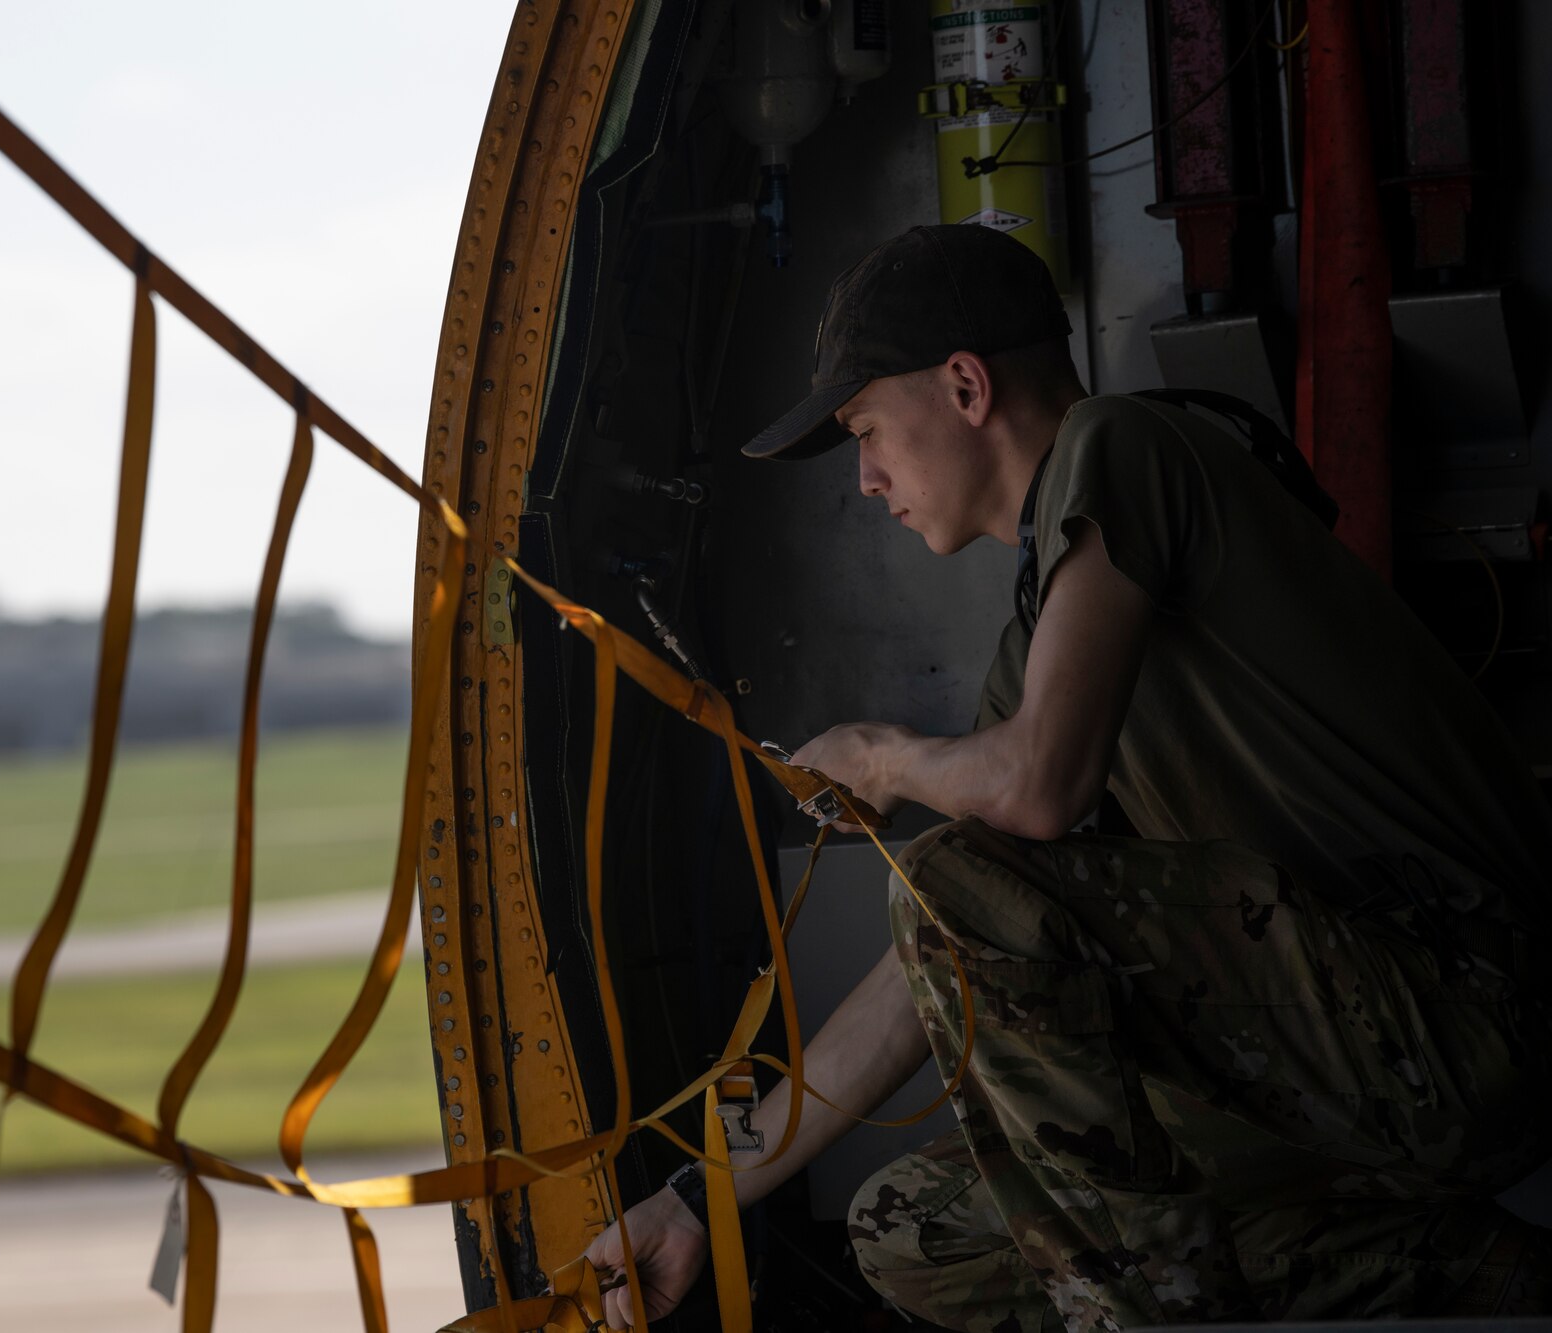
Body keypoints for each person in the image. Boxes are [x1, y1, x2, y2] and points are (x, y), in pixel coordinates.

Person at [583, 224, 1552, 1330]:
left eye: (863, 430)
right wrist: (694, 1197)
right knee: (915, 1231)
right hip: (1352, 1072)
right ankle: (1458, 1261)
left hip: (1471, 1010)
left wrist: (884, 754)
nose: (863, 479)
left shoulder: (1122, 444)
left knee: (956, 875)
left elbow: (1032, 794)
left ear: (962, 385)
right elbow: (930, 961)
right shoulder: (1045, 638)